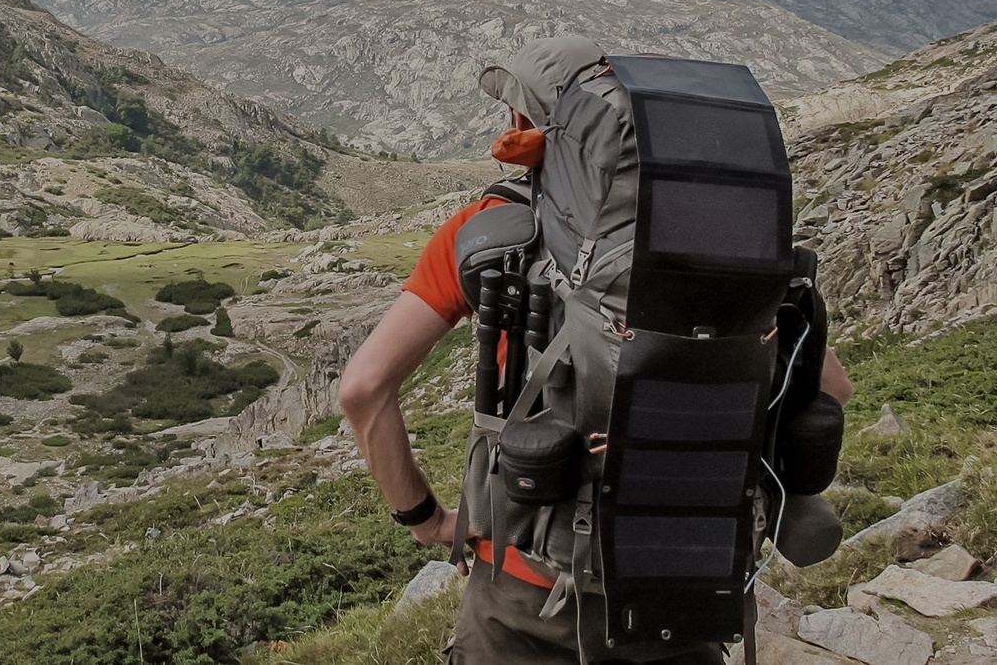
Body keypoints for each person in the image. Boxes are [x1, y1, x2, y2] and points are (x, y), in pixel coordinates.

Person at [336, 37, 855, 664]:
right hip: (682, 589)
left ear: (530, 128)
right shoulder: (733, 248)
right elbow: (832, 389)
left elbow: (363, 389)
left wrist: (427, 520)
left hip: (525, 593)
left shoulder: (489, 233)